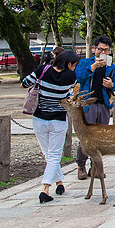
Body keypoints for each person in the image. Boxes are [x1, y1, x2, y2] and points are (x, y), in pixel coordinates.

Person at [22, 49, 81, 203]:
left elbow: (25, 83)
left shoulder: (42, 70)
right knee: (54, 155)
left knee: (48, 154)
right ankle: (46, 188)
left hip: (39, 118)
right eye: (74, 65)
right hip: (59, 120)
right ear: (69, 64)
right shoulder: (71, 77)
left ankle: (59, 182)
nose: (74, 68)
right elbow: (67, 95)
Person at [74, 36, 115, 181]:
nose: (103, 52)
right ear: (94, 49)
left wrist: (111, 85)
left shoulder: (111, 66)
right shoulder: (85, 63)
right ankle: (81, 165)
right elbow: (78, 78)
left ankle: (95, 167)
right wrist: (93, 67)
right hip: (88, 104)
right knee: (85, 138)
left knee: (100, 138)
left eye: (106, 50)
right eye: (100, 49)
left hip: (104, 104)